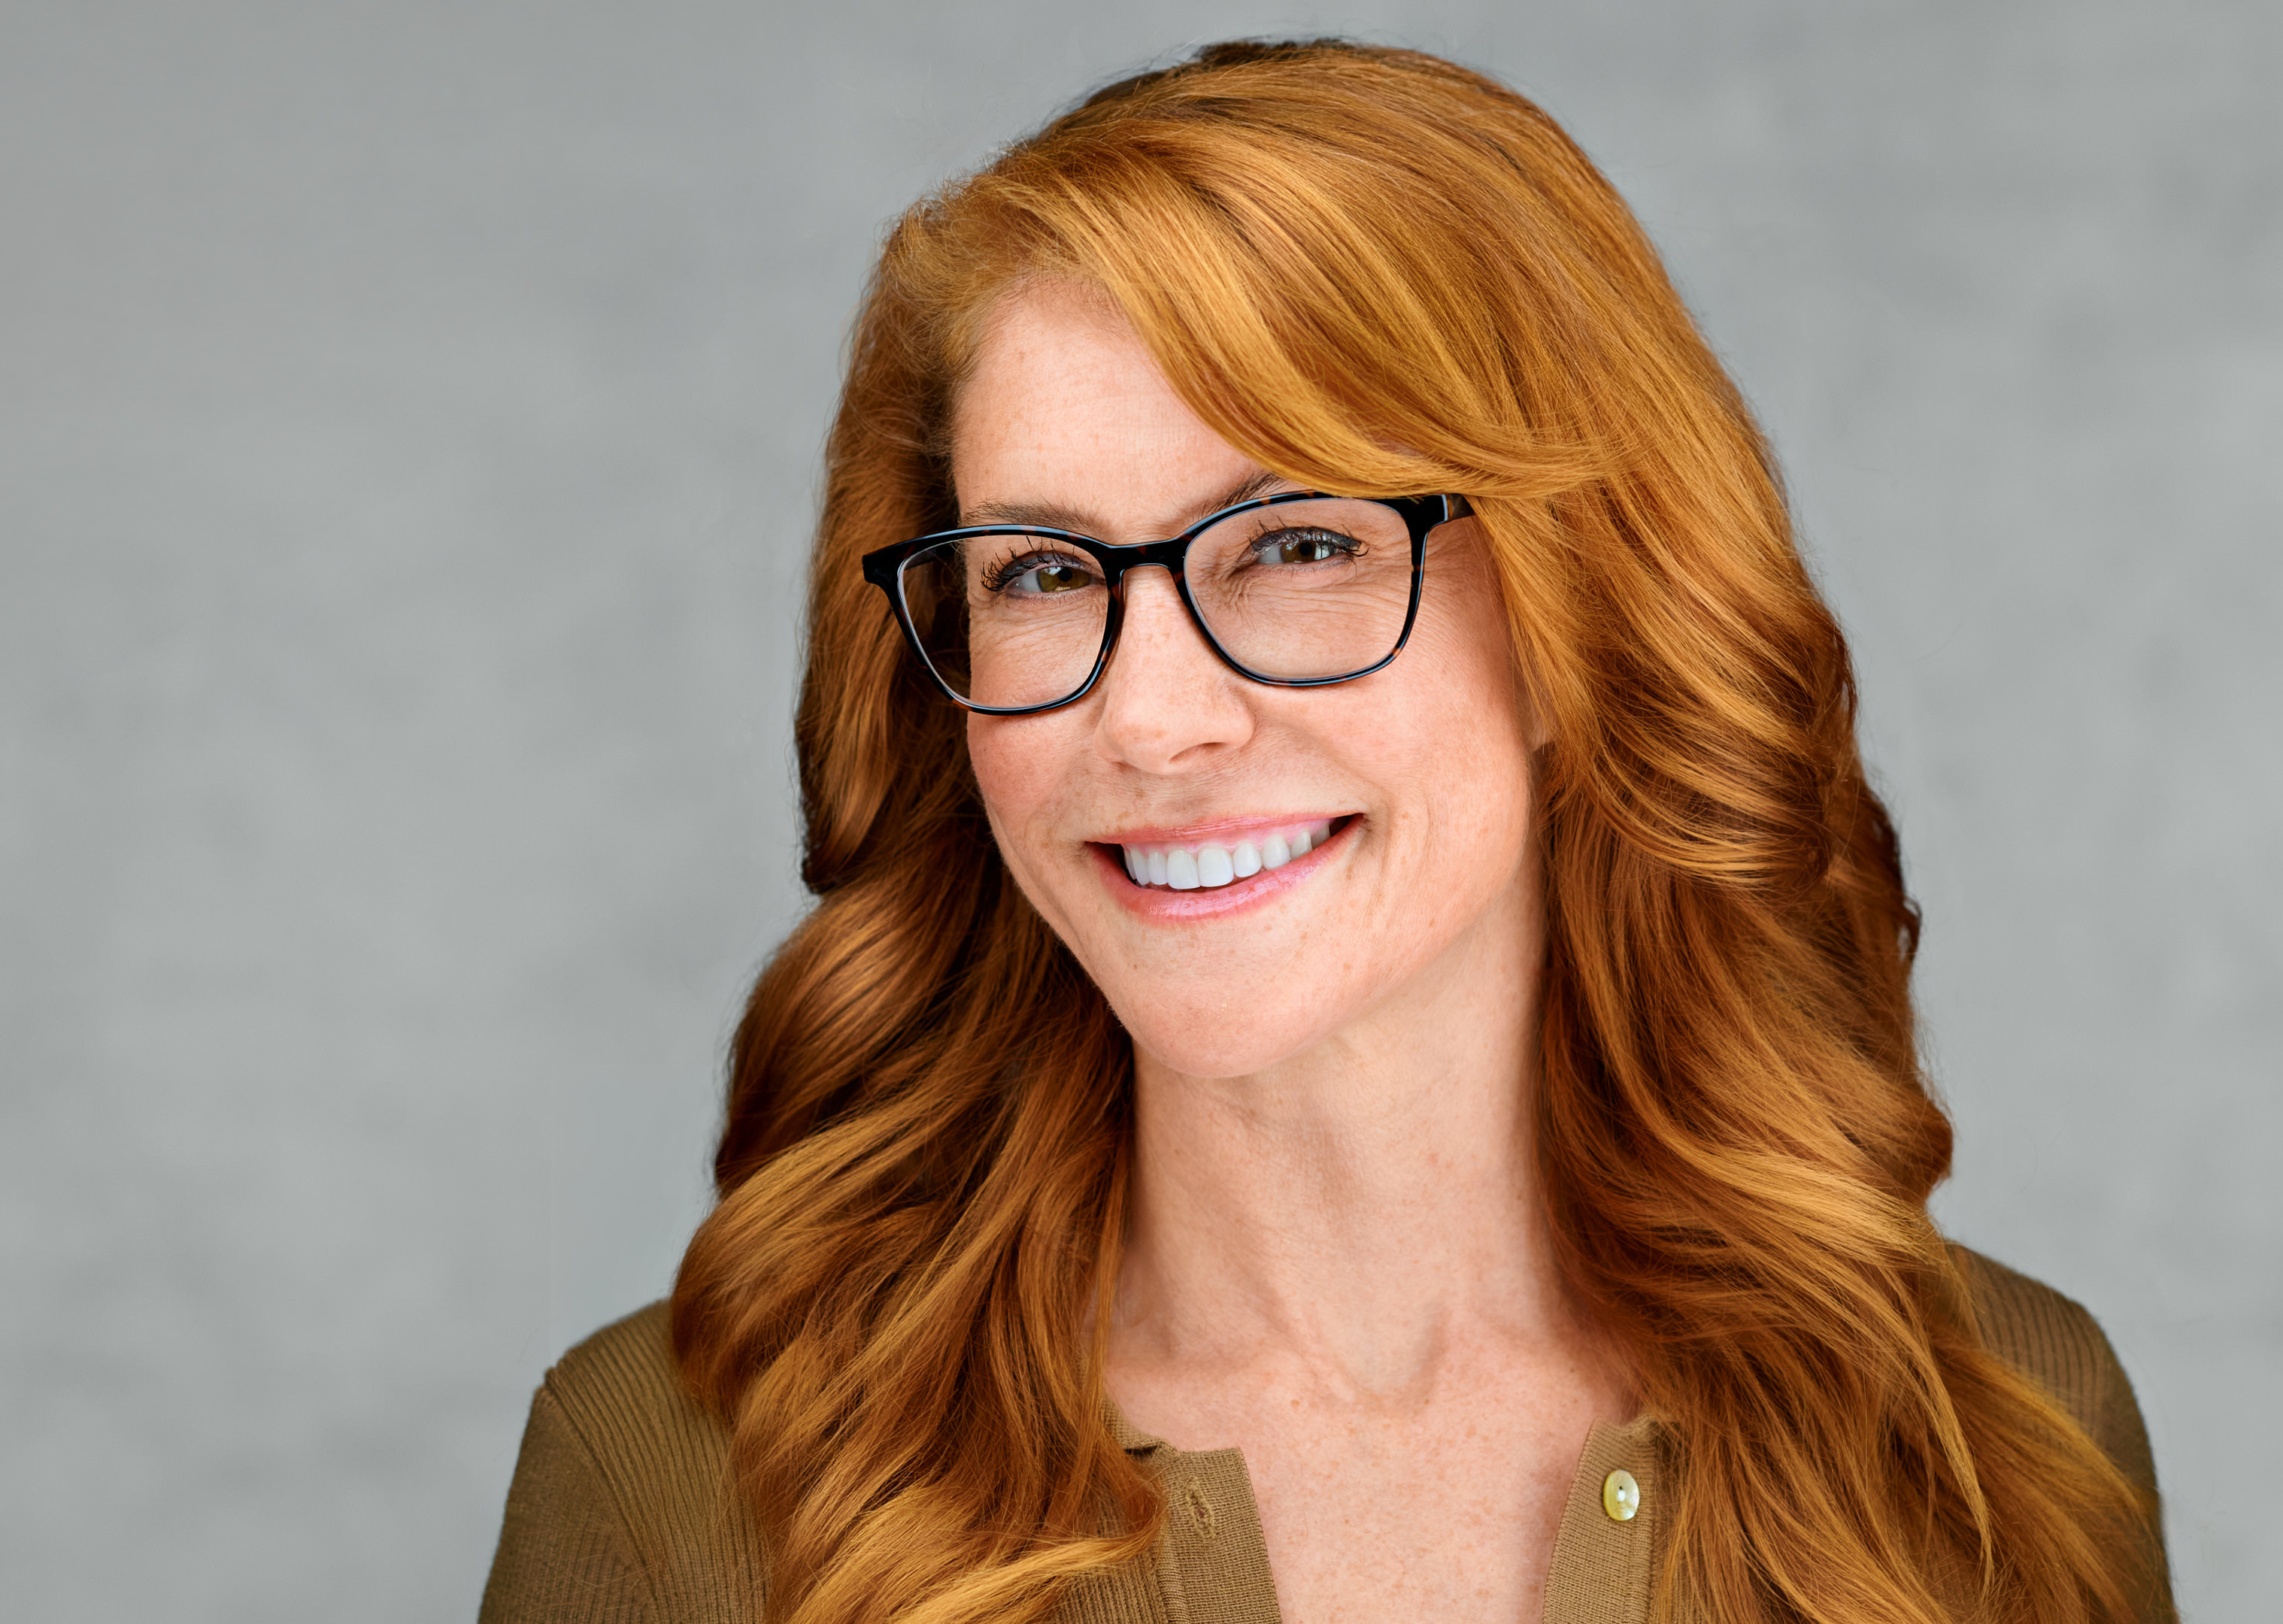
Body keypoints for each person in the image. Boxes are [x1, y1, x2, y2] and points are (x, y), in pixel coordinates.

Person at [481, 39, 2171, 1624]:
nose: (1149, 719)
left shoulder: (1999, 1440)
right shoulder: (685, 1483)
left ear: (1588, 608)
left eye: (1296, 546)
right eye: (1046, 575)